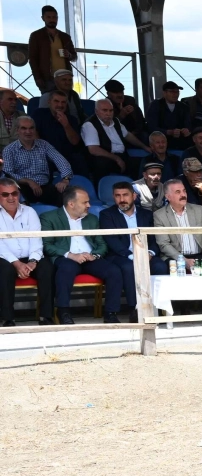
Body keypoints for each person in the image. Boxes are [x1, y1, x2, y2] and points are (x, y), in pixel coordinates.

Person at [41, 186, 123, 324]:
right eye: (85, 202)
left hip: (90, 257)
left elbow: (101, 243)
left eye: (88, 202)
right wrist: (70, 255)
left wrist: (95, 255)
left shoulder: (91, 219)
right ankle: (64, 312)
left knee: (114, 271)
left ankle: (111, 313)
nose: (89, 205)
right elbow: (47, 245)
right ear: (71, 204)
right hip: (66, 257)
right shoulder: (49, 218)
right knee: (65, 270)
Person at [99, 180, 159, 317]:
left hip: (145, 254)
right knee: (129, 267)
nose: (121, 199)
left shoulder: (147, 214)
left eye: (125, 195)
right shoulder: (107, 215)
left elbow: (154, 239)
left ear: (134, 196)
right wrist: (133, 256)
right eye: (117, 196)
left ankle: (158, 308)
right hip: (121, 256)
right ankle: (135, 309)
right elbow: (112, 240)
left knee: (160, 266)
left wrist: (150, 253)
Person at [0, 177, 52, 325]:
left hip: (30, 258)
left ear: (19, 194)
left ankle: (46, 316)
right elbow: (0, 245)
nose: (11, 198)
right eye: (5, 194)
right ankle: (8, 318)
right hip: (5, 258)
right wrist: (16, 263)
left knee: (47, 268)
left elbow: (36, 239)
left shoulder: (29, 212)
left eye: (14, 193)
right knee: (5, 271)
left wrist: (33, 261)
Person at [2, 117, 73, 207]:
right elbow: (8, 174)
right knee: (12, 193)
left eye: (31, 128)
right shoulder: (9, 150)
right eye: (24, 128)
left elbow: (61, 161)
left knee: (69, 194)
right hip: (22, 188)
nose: (28, 132)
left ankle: (62, 220)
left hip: (44, 187)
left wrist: (65, 179)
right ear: (17, 130)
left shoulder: (44, 145)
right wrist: (28, 181)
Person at [153, 178, 202, 273]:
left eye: (184, 191)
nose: (183, 195)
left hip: (199, 255)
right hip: (174, 257)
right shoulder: (159, 215)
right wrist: (183, 260)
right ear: (168, 196)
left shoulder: (198, 210)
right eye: (178, 192)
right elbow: (164, 244)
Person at [80, 99, 137, 181]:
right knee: (101, 164)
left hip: (121, 155)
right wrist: (116, 158)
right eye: (105, 110)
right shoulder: (89, 124)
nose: (108, 113)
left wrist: (145, 147)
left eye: (111, 110)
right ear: (96, 111)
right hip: (103, 157)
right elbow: (93, 150)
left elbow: (128, 135)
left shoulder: (115, 121)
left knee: (140, 163)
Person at [38, 91, 89, 174]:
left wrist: (66, 125)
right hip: (45, 153)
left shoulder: (72, 119)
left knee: (80, 160)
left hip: (66, 154)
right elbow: (34, 134)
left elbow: (75, 142)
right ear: (49, 102)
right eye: (56, 101)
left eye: (63, 102)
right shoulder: (39, 114)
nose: (60, 105)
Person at [27, 6, 76, 94]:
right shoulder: (36, 36)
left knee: (65, 102)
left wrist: (68, 55)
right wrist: (37, 77)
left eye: (54, 17)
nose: (52, 20)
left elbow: (74, 56)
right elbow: (32, 58)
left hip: (65, 78)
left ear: (57, 18)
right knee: (49, 102)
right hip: (47, 78)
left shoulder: (65, 37)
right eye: (48, 17)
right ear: (43, 18)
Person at [149, 81, 190, 146]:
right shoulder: (156, 105)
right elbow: (151, 126)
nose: (175, 94)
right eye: (172, 92)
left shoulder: (183, 107)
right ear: (164, 93)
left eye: (177, 92)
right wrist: (168, 132)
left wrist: (186, 130)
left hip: (180, 138)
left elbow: (188, 124)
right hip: (160, 138)